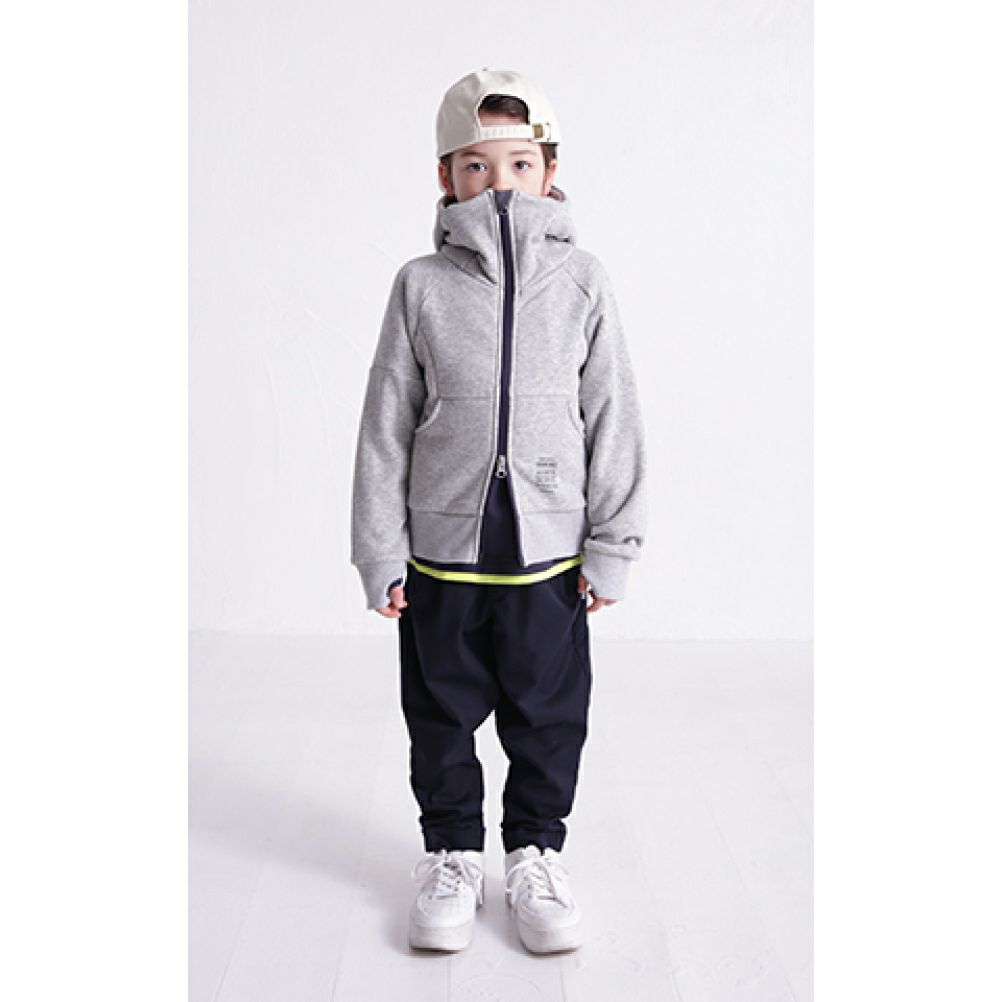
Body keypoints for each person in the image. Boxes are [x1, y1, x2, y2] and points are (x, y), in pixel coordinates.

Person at [349, 67, 647, 954]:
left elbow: (614, 413)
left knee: (548, 719)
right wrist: (379, 549)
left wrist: (615, 542)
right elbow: (386, 422)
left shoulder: (583, 281)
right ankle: (451, 854)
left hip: (550, 559)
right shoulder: (420, 285)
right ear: (447, 177)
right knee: (439, 717)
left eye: (519, 163)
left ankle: (535, 855)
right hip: (441, 556)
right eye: (477, 166)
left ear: (549, 171)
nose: (499, 184)